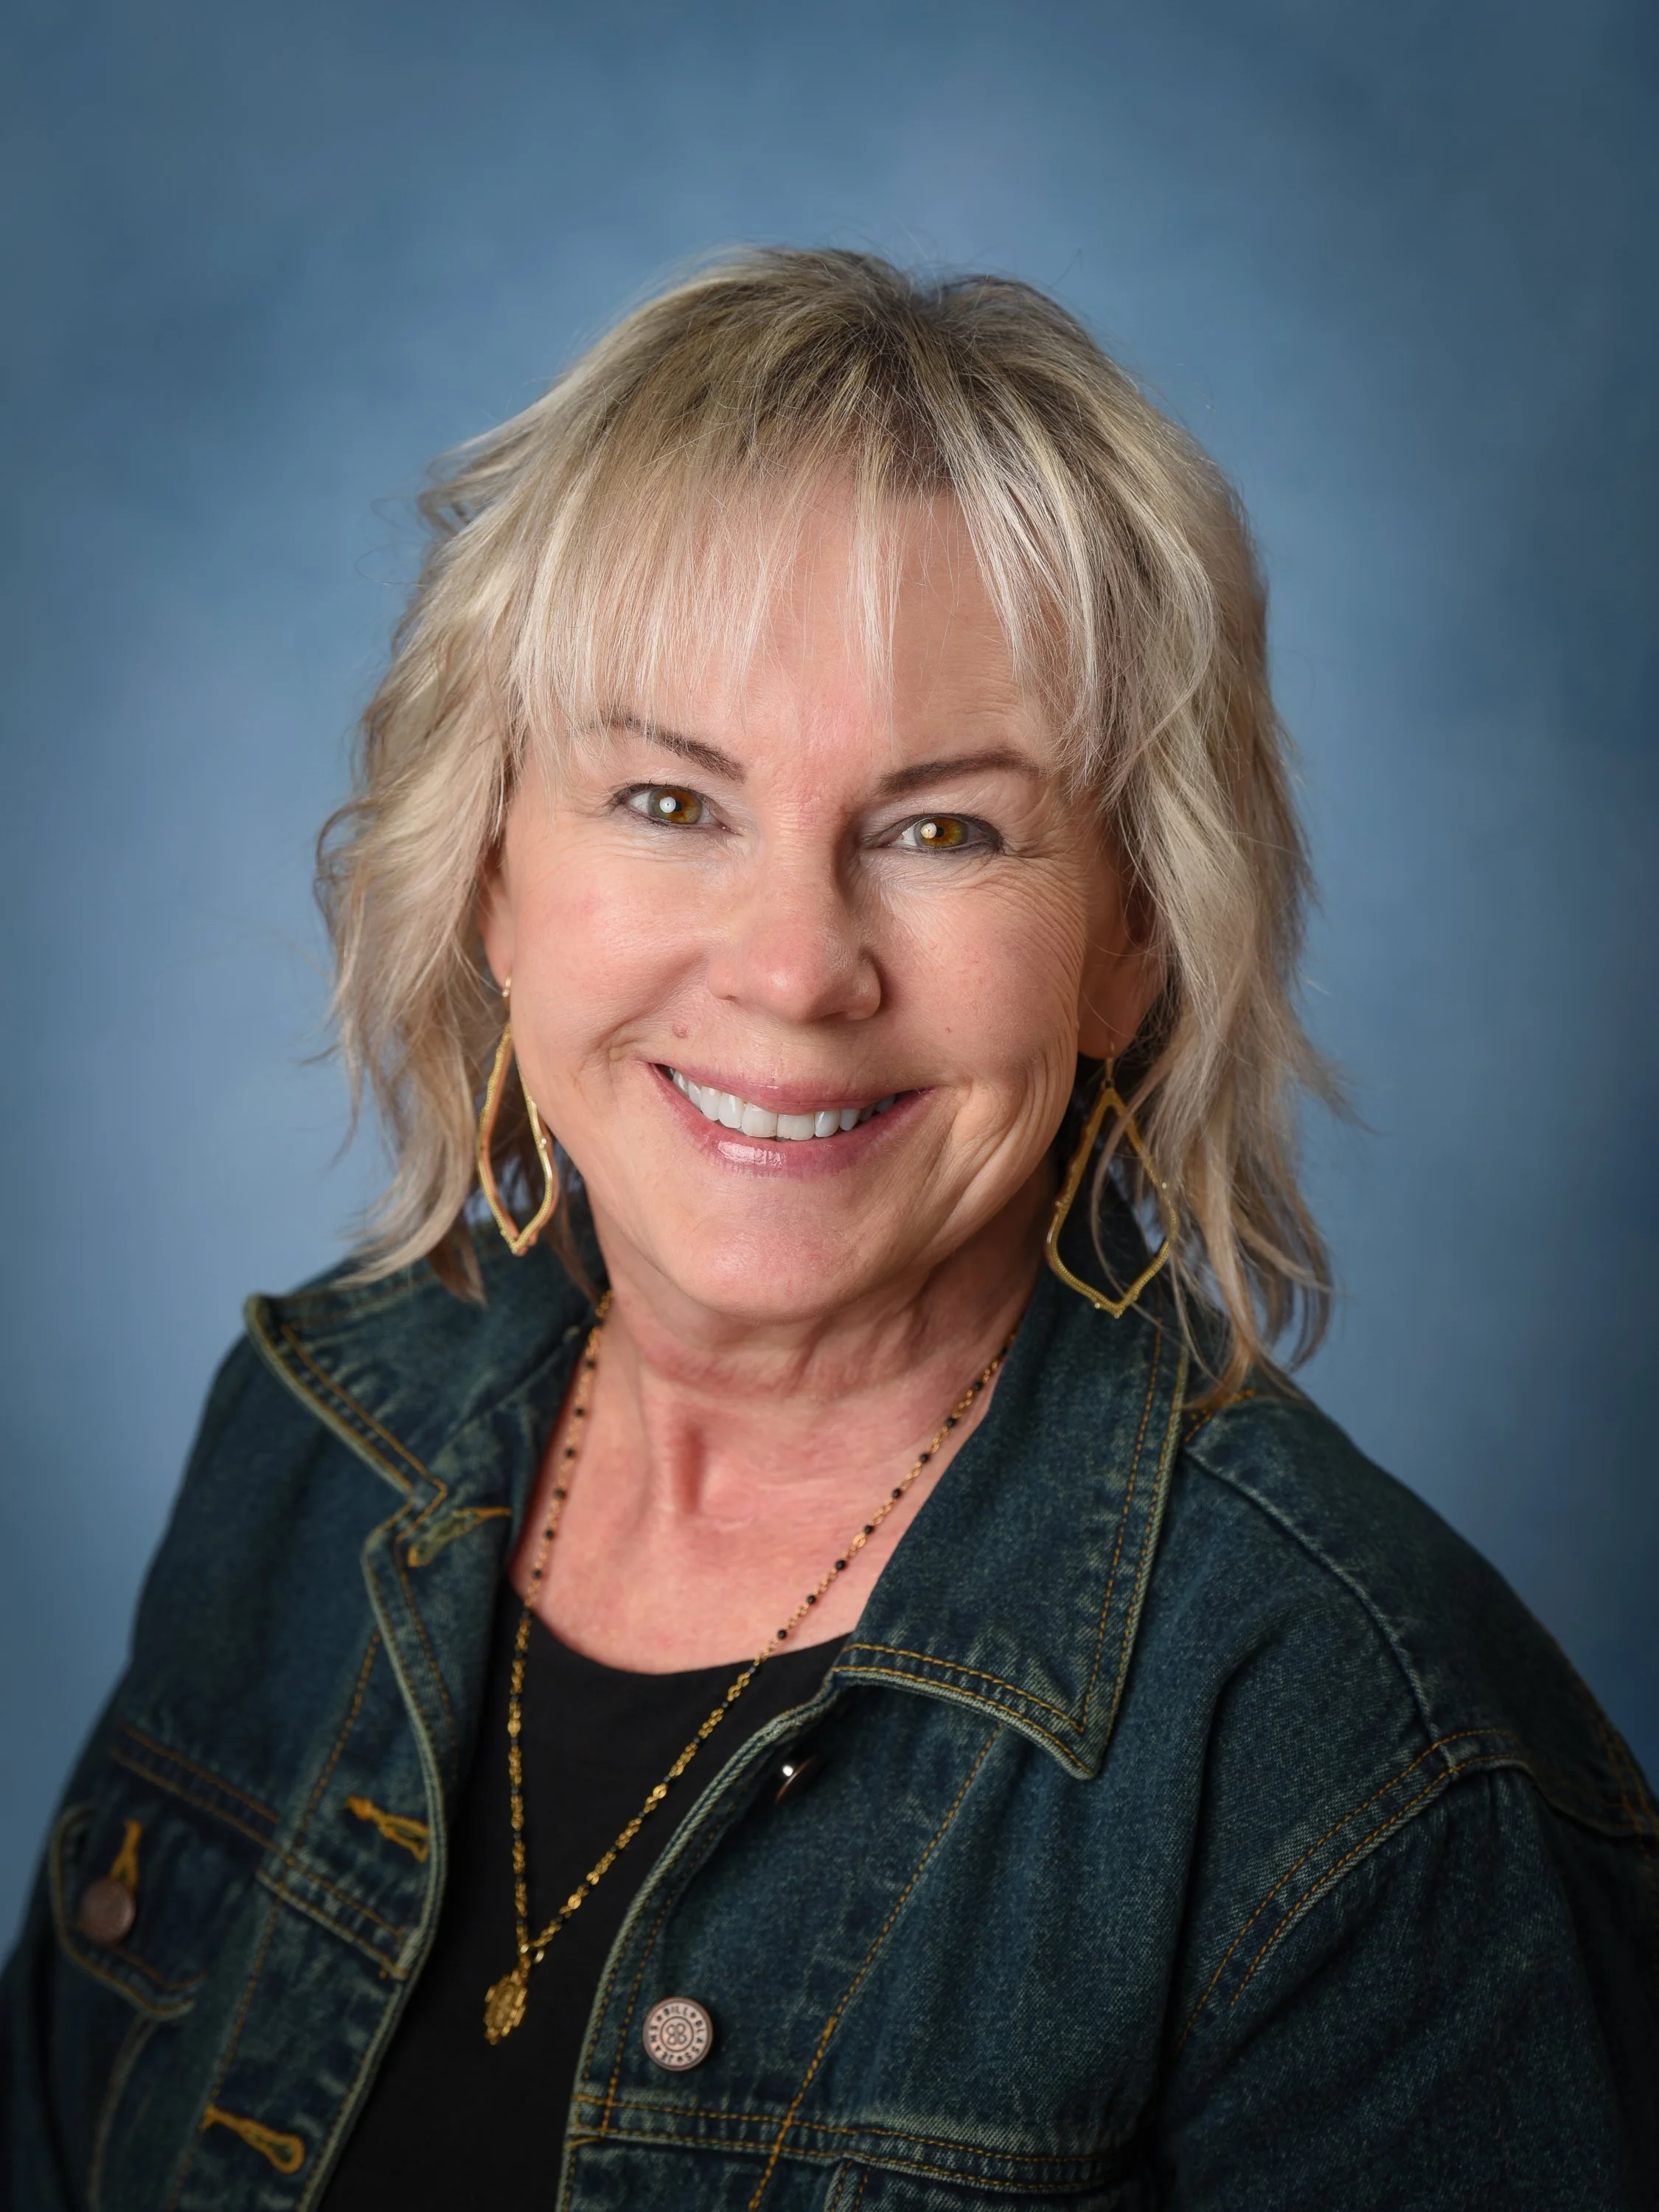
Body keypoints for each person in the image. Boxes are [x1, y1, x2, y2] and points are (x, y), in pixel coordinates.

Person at [3, 249, 1653, 2212]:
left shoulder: (1364, 1760)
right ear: (494, 875)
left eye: (949, 828)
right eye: (666, 800)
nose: (795, 971)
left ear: (1134, 941)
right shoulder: (315, 1440)